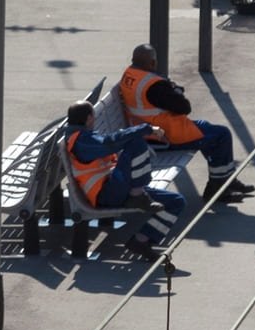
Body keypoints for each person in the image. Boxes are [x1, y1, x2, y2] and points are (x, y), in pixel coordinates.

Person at [115, 44, 254, 203]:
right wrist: (176, 91)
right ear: (152, 63)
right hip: (165, 136)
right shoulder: (154, 85)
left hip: (147, 131)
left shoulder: (129, 75)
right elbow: (184, 108)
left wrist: (169, 89)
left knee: (207, 128)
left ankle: (225, 180)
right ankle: (218, 188)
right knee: (221, 134)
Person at [60, 101, 188, 246]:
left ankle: (141, 241)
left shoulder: (84, 138)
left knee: (176, 202)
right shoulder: (81, 141)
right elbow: (108, 143)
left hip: (118, 187)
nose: (94, 120)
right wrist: (146, 129)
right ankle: (137, 194)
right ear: (89, 118)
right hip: (107, 194)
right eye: (94, 117)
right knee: (135, 142)